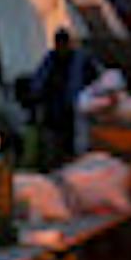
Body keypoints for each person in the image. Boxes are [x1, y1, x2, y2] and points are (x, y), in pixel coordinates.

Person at [29, 28, 102, 166]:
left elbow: (95, 81)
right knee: (55, 141)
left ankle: (71, 164)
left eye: (63, 44)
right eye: (58, 44)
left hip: (73, 110)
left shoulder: (81, 60)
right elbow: (39, 82)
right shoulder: (50, 59)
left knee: (72, 142)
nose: (61, 47)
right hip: (54, 109)